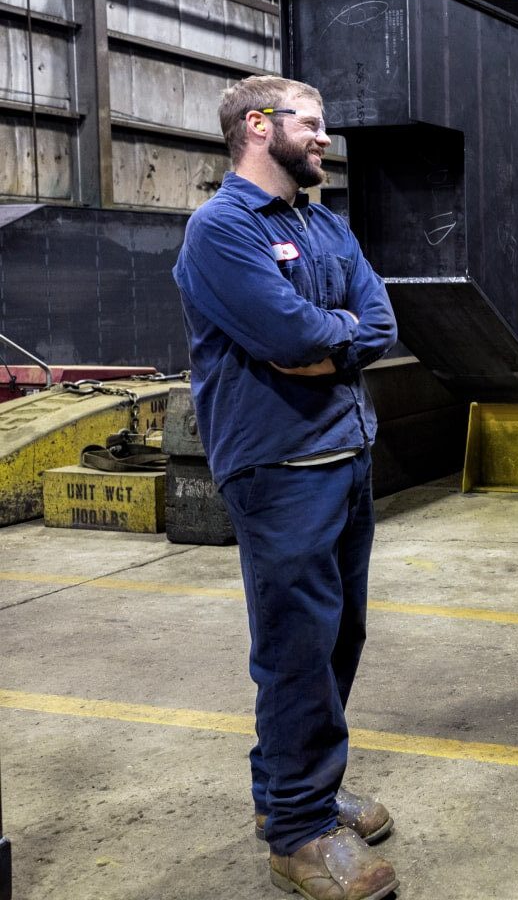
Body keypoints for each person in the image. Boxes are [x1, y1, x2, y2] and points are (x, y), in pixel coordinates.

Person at [173, 76, 399, 900]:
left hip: (345, 452)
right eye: (313, 124)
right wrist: (330, 337)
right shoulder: (220, 230)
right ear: (258, 126)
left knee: (339, 639)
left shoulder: (323, 222)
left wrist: (329, 343)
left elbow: (379, 322)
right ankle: (299, 835)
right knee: (296, 648)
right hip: (278, 465)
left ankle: (295, 792)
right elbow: (284, 332)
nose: (325, 139)